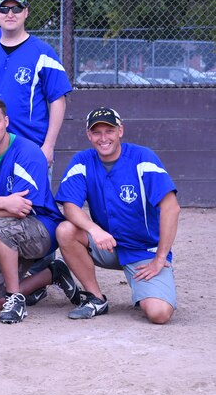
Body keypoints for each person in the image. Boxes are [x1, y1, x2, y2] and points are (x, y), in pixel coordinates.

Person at [0, 97, 79, 324]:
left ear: (6, 121)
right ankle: (52, 273)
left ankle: (15, 299)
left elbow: (20, 210)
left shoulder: (28, 152)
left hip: (42, 228)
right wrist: (4, 202)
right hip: (8, 228)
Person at [55, 107, 180, 324]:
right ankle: (95, 298)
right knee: (65, 230)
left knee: (159, 314)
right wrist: (95, 230)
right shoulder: (82, 161)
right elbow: (70, 207)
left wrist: (160, 258)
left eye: (109, 130)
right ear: (88, 135)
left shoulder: (143, 158)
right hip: (108, 245)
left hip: (143, 251)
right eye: (96, 132)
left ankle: (147, 287)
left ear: (120, 131)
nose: (103, 138)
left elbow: (171, 208)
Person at [0, 0, 71, 167]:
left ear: (26, 12)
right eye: (4, 8)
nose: (10, 14)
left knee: (32, 197)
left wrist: (48, 146)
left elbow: (58, 99)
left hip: (32, 149)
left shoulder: (43, 53)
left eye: (16, 8)